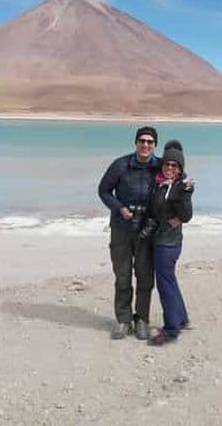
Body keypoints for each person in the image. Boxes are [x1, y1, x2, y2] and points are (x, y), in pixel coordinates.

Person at [98, 126, 159, 340]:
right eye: (142, 141)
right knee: (122, 276)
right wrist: (119, 208)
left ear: (155, 146)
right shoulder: (120, 165)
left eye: (150, 142)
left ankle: (141, 319)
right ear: (135, 143)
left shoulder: (159, 167)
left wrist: (187, 192)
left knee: (145, 276)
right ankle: (123, 320)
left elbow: (177, 181)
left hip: (147, 230)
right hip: (121, 228)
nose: (145, 145)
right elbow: (103, 190)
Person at [143, 140, 193, 346]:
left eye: (175, 165)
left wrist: (185, 195)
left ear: (180, 169)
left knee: (164, 284)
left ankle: (171, 329)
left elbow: (187, 215)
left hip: (168, 243)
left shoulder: (180, 187)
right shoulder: (160, 182)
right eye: (167, 164)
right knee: (169, 279)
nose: (170, 168)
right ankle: (181, 318)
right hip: (162, 238)